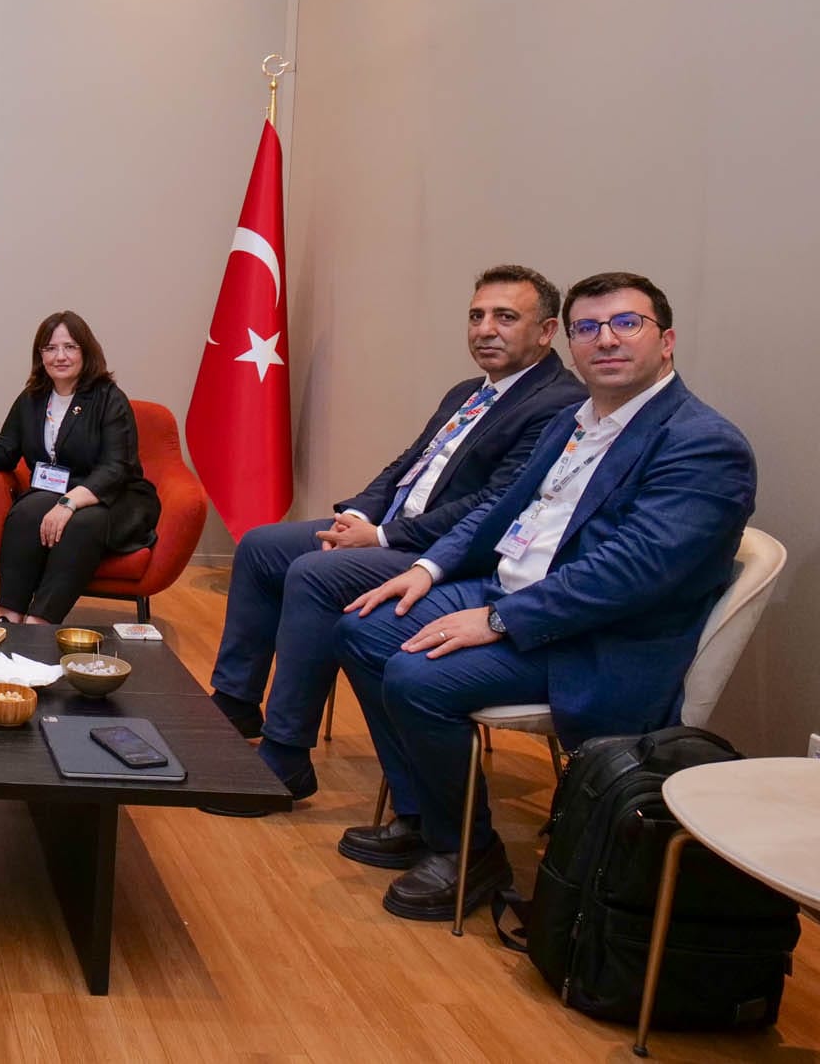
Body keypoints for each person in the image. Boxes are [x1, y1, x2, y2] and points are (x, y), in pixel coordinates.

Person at [336, 272, 755, 922]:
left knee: (419, 678)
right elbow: (500, 509)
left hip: (597, 636)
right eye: (588, 327)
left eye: (626, 323)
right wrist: (429, 566)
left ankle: (467, 851)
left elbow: (633, 571)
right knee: (364, 629)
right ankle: (428, 814)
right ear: (570, 342)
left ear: (666, 341)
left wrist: (499, 618)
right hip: (511, 591)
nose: (605, 340)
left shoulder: (702, 442)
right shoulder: (572, 419)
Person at [206, 266, 586, 802]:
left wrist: (382, 538)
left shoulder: (557, 402)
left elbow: (495, 504)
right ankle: (236, 702)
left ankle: (286, 753)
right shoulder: (468, 391)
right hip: (392, 532)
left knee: (315, 574)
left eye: (505, 317)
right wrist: (359, 517)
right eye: (476, 316)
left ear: (546, 331)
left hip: (449, 555)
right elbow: (406, 465)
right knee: (263, 546)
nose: (485, 330)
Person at [0, 311, 159, 625]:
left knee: (81, 524)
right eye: (50, 348)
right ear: (40, 355)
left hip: (116, 499)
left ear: (86, 351)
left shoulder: (109, 399)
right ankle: (9, 619)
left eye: (70, 347)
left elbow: (116, 468)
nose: (60, 356)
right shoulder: (32, 398)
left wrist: (69, 503)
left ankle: (40, 624)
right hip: (57, 492)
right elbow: (6, 446)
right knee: (25, 513)